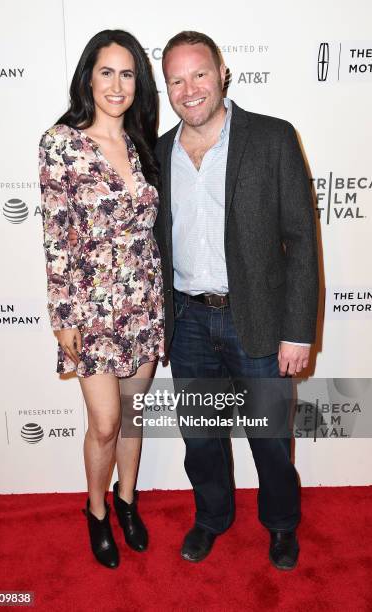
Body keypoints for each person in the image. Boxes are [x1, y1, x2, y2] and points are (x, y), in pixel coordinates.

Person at [152, 31, 319, 570]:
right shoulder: (158, 152)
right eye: (176, 80)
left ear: (222, 72)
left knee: (270, 440)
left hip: (260, 322)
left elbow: (300, 239)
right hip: (188, 320)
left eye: (199, 73)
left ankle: (281, 525)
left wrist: (297, 331)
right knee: (200, 439)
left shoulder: (271, 138)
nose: (189, 88)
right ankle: (212, 519)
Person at [38, 29, 165, 569]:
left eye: (128, 73)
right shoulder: (60, 142)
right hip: (90, 307)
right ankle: (95, 511)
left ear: (140, 82)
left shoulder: (144, 142)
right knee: (106, 421)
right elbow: (55, 232)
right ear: (88, 76)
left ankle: (127, 502)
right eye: (107, 71)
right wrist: (62, 314)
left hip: (144, 300)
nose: (117, 84)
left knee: (134, 415)